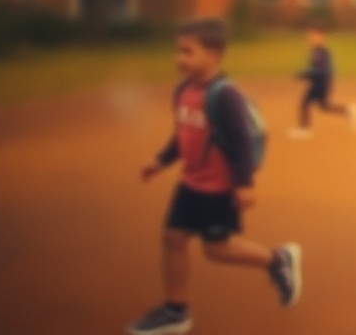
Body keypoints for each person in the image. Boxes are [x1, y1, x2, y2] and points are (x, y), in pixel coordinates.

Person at [128, 18, 301, 335]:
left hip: (218, 189)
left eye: (187, 52)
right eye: (177, 51)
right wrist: (159, 161)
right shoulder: (183, 90)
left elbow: (242, 142)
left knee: (217, 249)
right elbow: (182, 135)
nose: (179, 59)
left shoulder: (226, 96)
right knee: (173, 238)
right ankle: (175, 311)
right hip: (190, 182)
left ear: (214, 54)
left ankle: (278, 259)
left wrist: (245, 185)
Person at [288, 20, 356, 139]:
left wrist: (303, 74)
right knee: (324, 106)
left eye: (312, 35)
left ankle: (304, 130)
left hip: (321, 84)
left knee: (305, 103)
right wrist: (306, 73)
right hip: (320, 83)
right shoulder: (316, 51)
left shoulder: (322, 52)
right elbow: (316, 69)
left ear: (320, 36)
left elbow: (322, 71)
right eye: (309, 35)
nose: (310, 37)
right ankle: (349, 111)